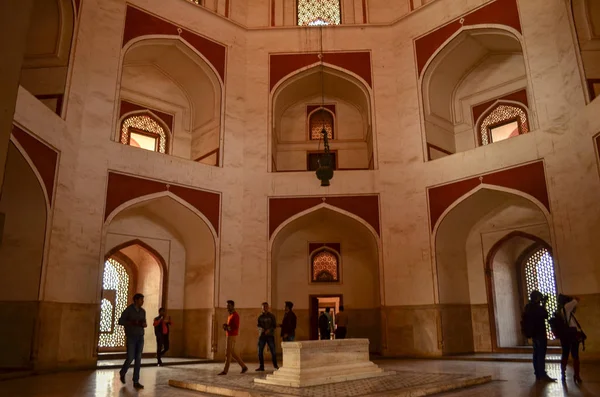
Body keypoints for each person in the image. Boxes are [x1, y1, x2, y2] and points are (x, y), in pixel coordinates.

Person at [523, 290, 555, 382]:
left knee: (536, 354)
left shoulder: (528, 307)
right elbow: (545, 315)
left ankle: (537, 373)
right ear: (537, 298)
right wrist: (544, 304)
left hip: (534, 334)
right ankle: (542, 374)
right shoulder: (537, 308)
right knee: (541, 354)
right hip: (540, 334)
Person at [118, 293, 147, 389]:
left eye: (143, 300)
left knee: (138, 359)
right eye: (141, 300)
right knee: (130, 357)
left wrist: (143, 324)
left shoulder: (143, 311)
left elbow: (144, 321)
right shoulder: (129, 310)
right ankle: (123, 372)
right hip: (131, 337)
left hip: (140, 336)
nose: (142, 302)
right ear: (135, 300)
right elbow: (120, 321)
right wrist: (131, 322)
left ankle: (136, 381)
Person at [558, 294, 583, 383]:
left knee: (565, 354)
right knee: (575, 355)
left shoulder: (563, 310)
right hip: (571, 334)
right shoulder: (566, 307)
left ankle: (563, 374)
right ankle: (577, 375)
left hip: (565, 335)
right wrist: (573, 298)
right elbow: (577, 299)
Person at [219, 300, 248, 375]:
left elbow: (235, 327)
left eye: (228, 305)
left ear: (232, 306)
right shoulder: (230, 315)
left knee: (228, 354)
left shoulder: (235, 315)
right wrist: (226, 327)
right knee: (233, 353)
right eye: (227, 306)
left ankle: (225, 371)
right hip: (229, 335)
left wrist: (227, 327)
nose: (227, 307)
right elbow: (230, 326)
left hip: (232, 336)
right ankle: (244, 367)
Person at [256, 302, 279, 371]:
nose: (265, 308)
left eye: (266, 306)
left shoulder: (272, 316)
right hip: (262, 336)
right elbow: (258, 325)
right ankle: (261, 366)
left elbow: (274, 325)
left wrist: (269, 330)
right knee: (260, 351)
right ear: (262, 308)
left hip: (270, 336)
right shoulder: (260, 317)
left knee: (273, 351)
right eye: (263, 307)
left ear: (268, 307)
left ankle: (275, 365)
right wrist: (261, 329)